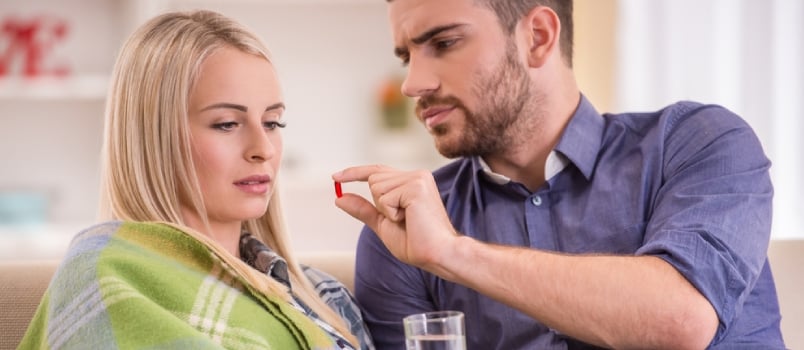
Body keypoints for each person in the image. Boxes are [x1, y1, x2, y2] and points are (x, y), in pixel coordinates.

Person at [332, 0, 785, 349]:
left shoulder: (697, 142)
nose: (413, 83)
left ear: (538, 36)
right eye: (406, 57)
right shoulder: (398, 233)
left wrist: (453, 254)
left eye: (444, 43)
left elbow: (681, 321)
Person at [19, 10, 373, 350]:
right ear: (154, 137)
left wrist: (431, 257)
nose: (263, 148)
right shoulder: (101, 279)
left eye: (272, 123)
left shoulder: (325, 295)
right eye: (226, 124)